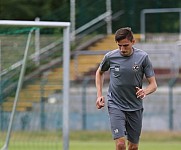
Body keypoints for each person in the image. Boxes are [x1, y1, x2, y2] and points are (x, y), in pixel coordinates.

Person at [95, 27, 157, 150]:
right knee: (120, 144)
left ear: (133, 42)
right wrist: (99, 95)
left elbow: (153, 85)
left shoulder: (143, 57)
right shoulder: (110, 57)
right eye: (119, 46)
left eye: (125, 45)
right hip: (115, 104)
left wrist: (145, 91)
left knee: (133, 147)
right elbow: (99, 72)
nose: (122, 49)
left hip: (135, 107)